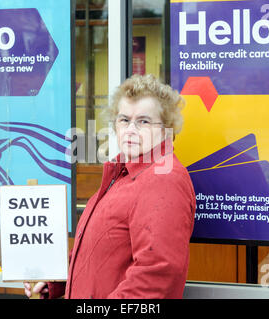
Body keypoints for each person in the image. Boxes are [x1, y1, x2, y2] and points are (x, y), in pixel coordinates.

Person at [24, 74, 195, 299]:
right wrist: (54, 281)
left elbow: (156, 276)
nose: (131, 129)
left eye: (143, 121)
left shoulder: (163, 179)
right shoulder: (123, 173)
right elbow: (100, 256)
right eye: (124, 119)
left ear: (166, 129)